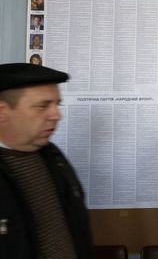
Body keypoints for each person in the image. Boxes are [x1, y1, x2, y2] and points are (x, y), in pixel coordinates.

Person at [0, 63, 94, 258]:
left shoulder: (54, 158)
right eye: (42, 106)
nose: (56, 116)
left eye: (56, 104)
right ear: (2, 111)